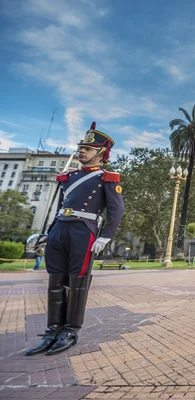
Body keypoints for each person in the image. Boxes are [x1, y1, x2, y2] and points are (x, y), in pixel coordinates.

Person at [25, 122, 124, 356]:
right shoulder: (67, 177)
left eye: (88, 149)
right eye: (81, 147)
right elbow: (59, 208)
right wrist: (48, 233)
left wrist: (105, 237)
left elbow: (116, 210)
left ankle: (69, 330)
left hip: (84, 231)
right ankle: (52, 331)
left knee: (77, 283)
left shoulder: (107, 178)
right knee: (55, 282)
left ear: (101, 153)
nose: (82, 151)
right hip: (60, 229)